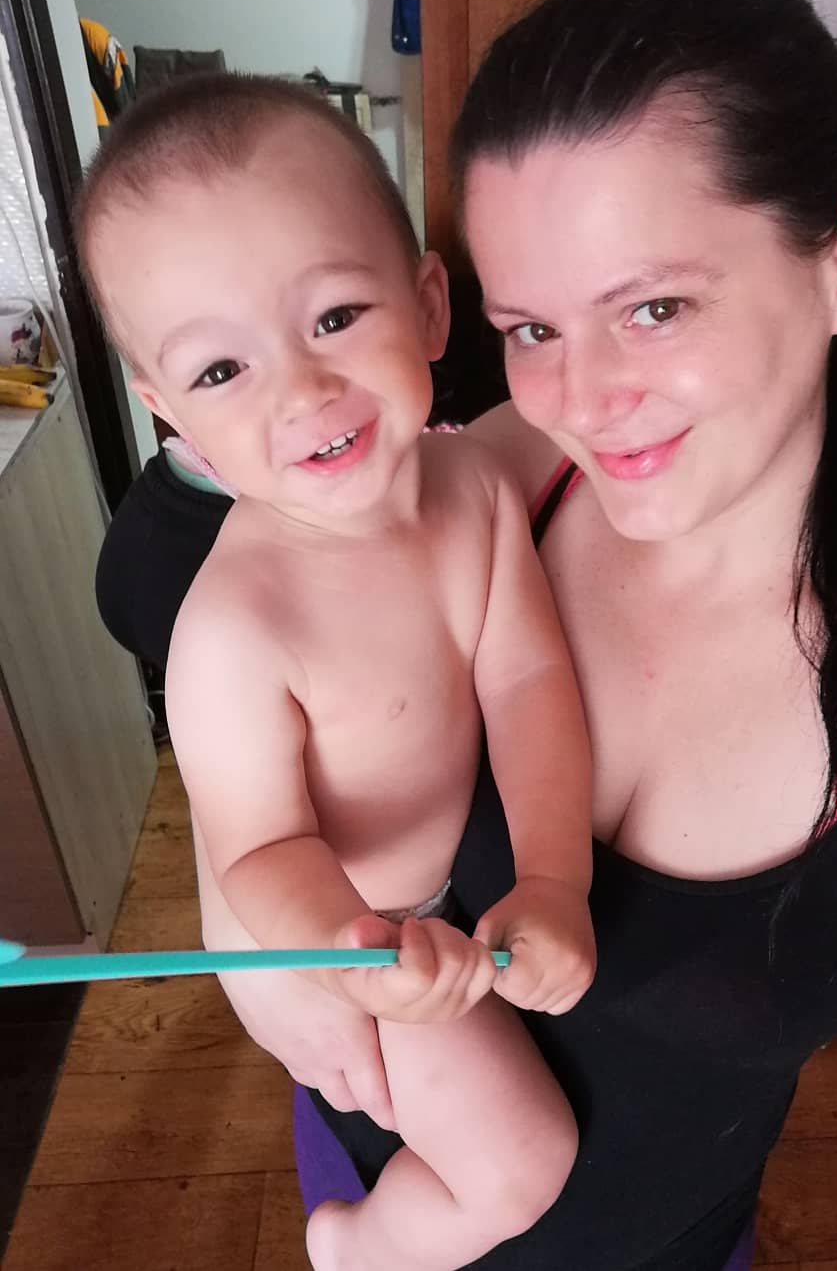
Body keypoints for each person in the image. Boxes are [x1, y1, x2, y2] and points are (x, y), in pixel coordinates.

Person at [93, 0, 837, 1271]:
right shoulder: (513, 469)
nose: (586, 397)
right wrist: (250, 946)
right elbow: (227, 652)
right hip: (372, 1160)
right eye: (532, 328)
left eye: (654, 306)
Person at [75, 72, 597, 1271]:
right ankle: (357, 1249)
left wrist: (555, 878)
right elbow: (260, 851)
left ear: (429, 304)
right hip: (361, 936)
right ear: (170, 417)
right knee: (524, 1163)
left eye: (334, 317)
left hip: (454, 898)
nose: (302, 392)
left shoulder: (474, 489)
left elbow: (527, 683)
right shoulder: (235, 628)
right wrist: (353, 954)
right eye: (221, 372)